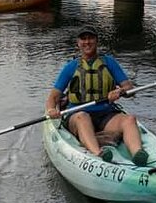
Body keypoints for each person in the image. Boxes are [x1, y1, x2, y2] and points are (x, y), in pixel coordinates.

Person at [45, 25, 149, 166]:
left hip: (106, 114)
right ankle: (98, 153)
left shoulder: (109, 63)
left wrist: (119, 91)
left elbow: (129, 88)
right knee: (83, 117)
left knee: (129, 119)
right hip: (77, 115)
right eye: (83, 39)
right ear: (78, 43)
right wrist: (51, 110)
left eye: (90, 38)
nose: (87, 42)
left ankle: (138, 154)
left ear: (96, 41)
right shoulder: (71, 67)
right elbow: (53, 97)